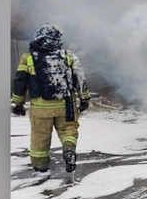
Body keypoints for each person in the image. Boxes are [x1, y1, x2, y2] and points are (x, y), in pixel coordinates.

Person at [11, 24, 91, 174]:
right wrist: (84, 98)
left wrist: (18, 103)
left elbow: (20, 81)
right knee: (69, 131)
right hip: (66, 106)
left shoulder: (28, 57)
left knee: (40, 137)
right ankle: (69, 152)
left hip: (40, 109)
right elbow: (80, 78)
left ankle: (40, 168)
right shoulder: (68, 56)